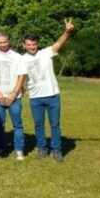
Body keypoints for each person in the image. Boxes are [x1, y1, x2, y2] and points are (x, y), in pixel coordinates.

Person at [22, 19, 74, 162]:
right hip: (35, 97)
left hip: (52, 95)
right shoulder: (21, 59)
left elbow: (59, 43)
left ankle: (56, 149)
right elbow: (19, 77)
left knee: (55, 124)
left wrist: (67, 31)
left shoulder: (46, 53)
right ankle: (42, 149)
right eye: (29, 45)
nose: (32, 47)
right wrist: (21, 88)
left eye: (34, 44)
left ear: (37, 44)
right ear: (24, 45)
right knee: (38, 124)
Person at [0, 32, 28, 160]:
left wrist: (14, 94)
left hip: (14, 97)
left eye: (5, 42)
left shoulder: (18, 57)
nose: (3, 44)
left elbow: (21, 76)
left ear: (9, 41)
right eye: (0, 42)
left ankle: (19, 149)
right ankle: (1, 148)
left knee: (17, 124)